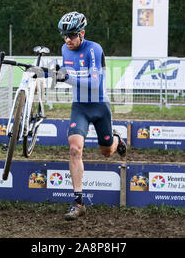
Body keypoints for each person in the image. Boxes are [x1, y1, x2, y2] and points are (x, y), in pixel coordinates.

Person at [55, 11, 127, 221]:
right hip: (80, 107)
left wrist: (66, 78)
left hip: (99, 106)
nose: (67, 40)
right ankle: (78, 203)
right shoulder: (64, 49)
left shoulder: (94, 49)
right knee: (74, 148)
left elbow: (95, 84)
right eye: (64, 36)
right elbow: (66, 75)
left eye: (72, 35)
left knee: (107, 151)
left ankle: (117, 139)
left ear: (82, 33)